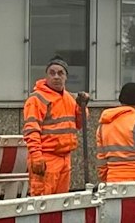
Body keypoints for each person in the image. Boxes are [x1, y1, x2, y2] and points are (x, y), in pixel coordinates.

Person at [23, 58, 88, 196]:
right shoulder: (37, 99)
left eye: (60, 73)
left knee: (60, 204)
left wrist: (81, 107)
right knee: (43, 203)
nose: (56, 77)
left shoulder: (69, 98)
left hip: (65, 159)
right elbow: (31, 130)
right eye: (52, 73)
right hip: (46, 158)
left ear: (66, 77)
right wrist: (36, 156)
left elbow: (79, 124)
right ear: (46, 76)